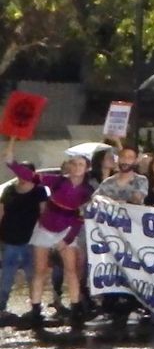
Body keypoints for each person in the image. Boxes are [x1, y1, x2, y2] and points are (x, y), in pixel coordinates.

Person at [4, 139, 93, 326]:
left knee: (71, 271)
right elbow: (30, 176)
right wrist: (11, 162)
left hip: (67, 231)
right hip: (44, 229)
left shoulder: (87, 191)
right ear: (69, 166)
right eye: (74, 164)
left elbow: (80, 218)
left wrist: (67, 240)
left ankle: (75, 309)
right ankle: (35, 310)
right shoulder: (58, 181)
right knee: (39, 271)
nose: (77, 167)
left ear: (87, 168)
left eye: (81, 164)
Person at [0, 162, 46, 321]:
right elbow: (1, 211)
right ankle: (1, 307)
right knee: (7, 275)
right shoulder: (9, 190)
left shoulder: (39, 191)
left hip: (32, 240)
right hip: (10, 238)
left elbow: (43, 213)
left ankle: (35, 308)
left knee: (33, 274)